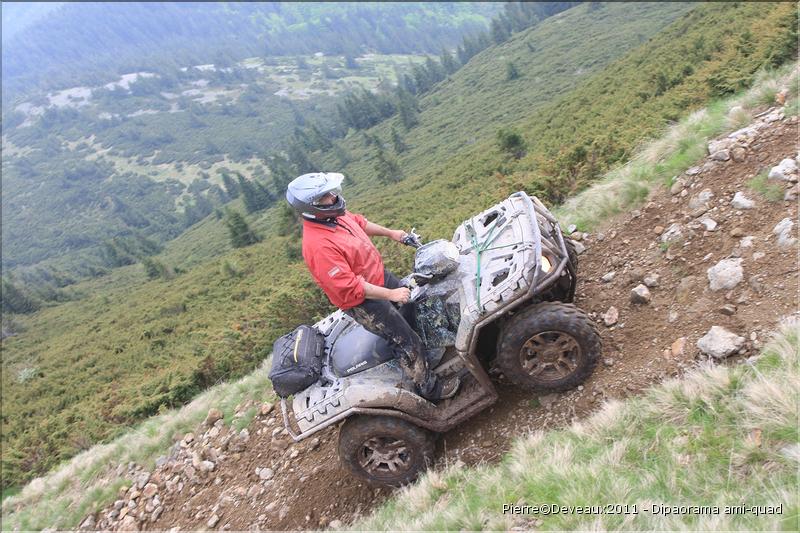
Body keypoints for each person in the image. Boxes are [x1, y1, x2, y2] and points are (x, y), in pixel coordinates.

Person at [286, 172, 458, 401]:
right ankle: (428, 388)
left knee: (410, 308)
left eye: (330, 191)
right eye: (325, 196)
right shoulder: (317, 246)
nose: (332, 196)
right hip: (364, 301)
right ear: (311, 206)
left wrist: (392, 233)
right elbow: (351, 287)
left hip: (377, 276)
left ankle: (423, 358)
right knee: (405, 340)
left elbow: (359, 222)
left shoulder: (333, 216)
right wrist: (391, 294)